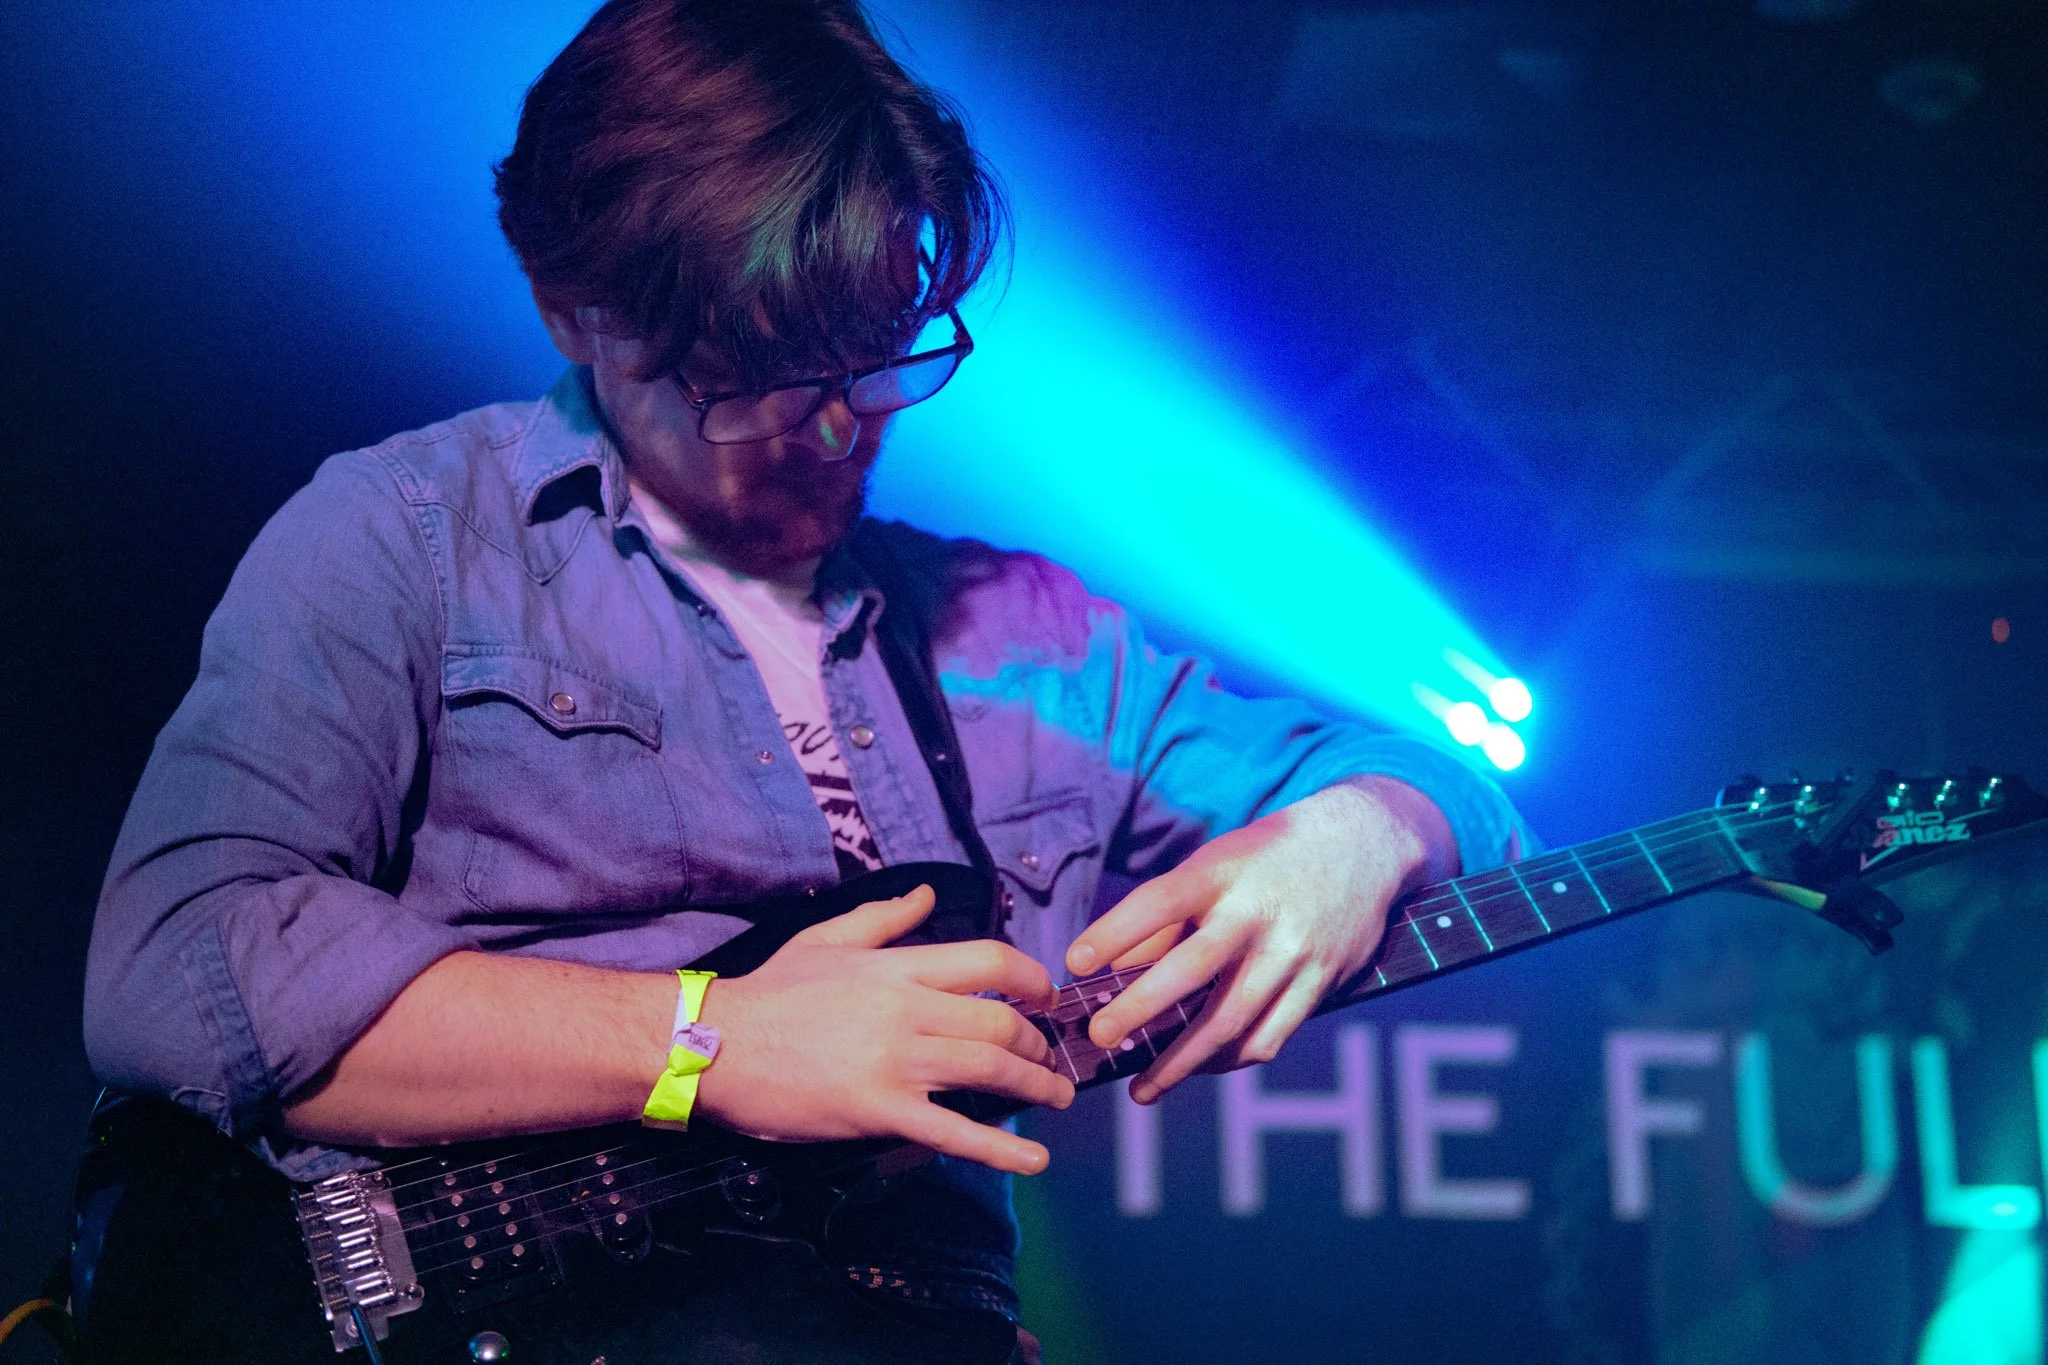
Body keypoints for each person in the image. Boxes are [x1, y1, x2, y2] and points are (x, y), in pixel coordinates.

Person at [82, 0, 1527, 1359]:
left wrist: (1364, 831)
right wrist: (704, 1049)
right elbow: (177, 965)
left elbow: (1444, 789)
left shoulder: (1026, 633)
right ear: (574, 309)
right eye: (762, 377)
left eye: (876, 356)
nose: (839, 430)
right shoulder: (407, 539)